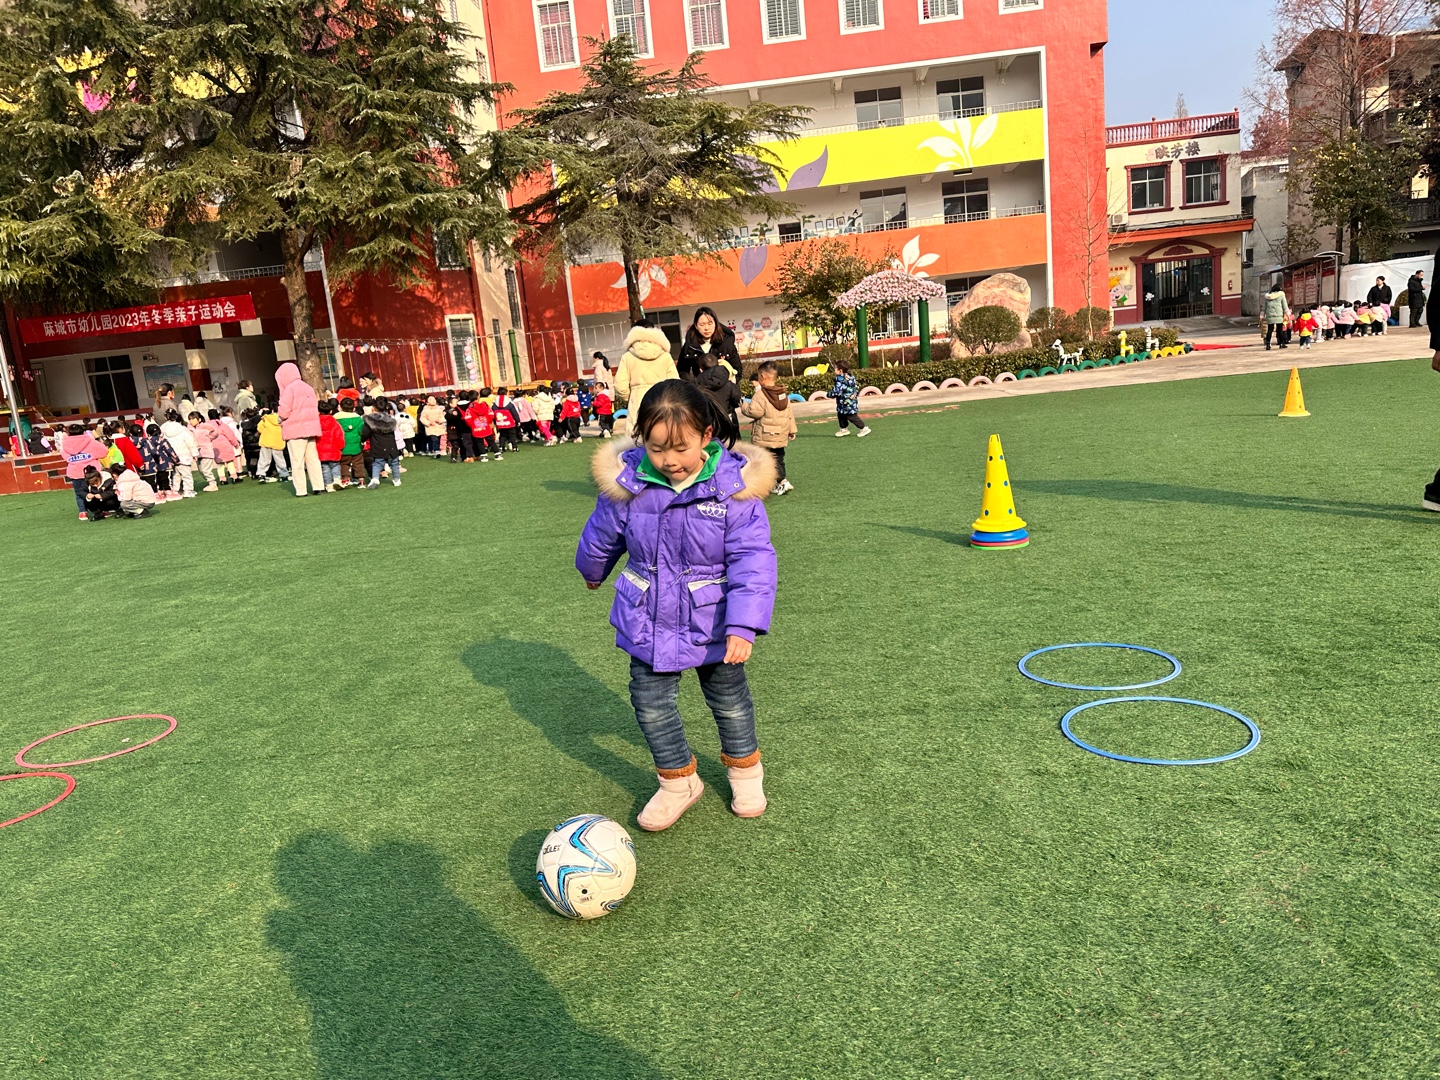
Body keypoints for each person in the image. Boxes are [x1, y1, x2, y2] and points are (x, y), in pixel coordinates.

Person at [575, 379, 778, 830]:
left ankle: (746, 772)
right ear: (641, 439)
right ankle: (677, 781)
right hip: (647, 617)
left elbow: (753, 560)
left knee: (729, 701)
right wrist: (592, 569)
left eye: (681, 448)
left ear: (706, 436)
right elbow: (603, 533)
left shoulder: (732, 491)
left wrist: (743, 625)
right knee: (650, 703)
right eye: (657, 448)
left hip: (714, 621)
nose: (670, 460)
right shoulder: (628, 485)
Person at [741, 361, 796, 495]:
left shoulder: (761, 395)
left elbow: (755, 412)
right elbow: (789, 413)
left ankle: (782, 481)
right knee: (779, 458)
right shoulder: (783, 394)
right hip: (781, 433)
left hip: (765, 434)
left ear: (762, 377)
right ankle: (779, 482)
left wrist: (744, 406)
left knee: (768, 459)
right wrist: (792, 430)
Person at [614, 321, 679, 420]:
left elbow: (620, 386)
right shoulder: (665, 356)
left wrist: (632, 397)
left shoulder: (627, 357)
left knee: (637, 428)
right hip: (661, 403)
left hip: (637, 403)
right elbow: (674, 383)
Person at [277, 362, 324, 496]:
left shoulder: (289, 389)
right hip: (311, 428)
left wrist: (279, 419)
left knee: (297, 461)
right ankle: (318, 486)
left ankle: (301, 490)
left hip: (295, 430)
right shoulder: (308, 387)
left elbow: (284, 410)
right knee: (313, 459)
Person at [62, 423, 112, 521]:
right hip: (92, 472)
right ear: (83, 431)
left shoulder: (65, 443)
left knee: (79, 493)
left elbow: (64, 455)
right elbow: (104, 451)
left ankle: (82, 512)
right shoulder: (90, 441)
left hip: (75, 471)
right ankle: (100, 510)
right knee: (96, 490)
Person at [676, 307, 741, 381]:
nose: (706, 328)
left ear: (715, 324)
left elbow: (737, 369)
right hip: (700, 386)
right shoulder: (690, 346)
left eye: (710, 323)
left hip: (724, 386)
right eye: (702, 324)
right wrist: (694, 385)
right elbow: (682, 371)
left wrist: (729, 384)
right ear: (696, 325)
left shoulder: (726, 342)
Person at [696, 356, 742, 434]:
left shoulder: (697, 386)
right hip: (726, 417)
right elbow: (736, 399)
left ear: (701, 369)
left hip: (707, 420)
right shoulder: (728, 384)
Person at [826, 360, 872, 437]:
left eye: (835, 368)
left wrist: (829, 394)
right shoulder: (850, 377)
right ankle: (843, 429)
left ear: (840, 370)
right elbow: (855, 387)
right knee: (841, 415)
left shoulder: (839, 379)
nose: (834, 370)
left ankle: (864, 428)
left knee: (852, 416)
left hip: (846, 403)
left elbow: (837, 391)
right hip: (847, 401)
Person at [160, 410, 199, 499]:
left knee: (175, 475)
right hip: (184, 455)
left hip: (171, 456)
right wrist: (194, 453)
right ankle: (188, 491)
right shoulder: (182, 429)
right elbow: (190, 442)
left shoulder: (163, 428)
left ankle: (176, 490)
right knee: (186, 475)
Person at [364, 397, 402, 487]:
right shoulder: (391, 420)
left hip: (378, 445)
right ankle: (396, 479)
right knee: (394, 463)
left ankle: (375, 478)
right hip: (391, 445)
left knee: (377, 463)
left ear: (373, 408)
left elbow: (365, 433)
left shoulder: (370, 421)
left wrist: (362, 439)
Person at [139, 423, 181, 502]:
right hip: (165, 463)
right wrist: (176, 460)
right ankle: (168, 492)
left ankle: (160, 492)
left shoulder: (147, 441)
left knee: (158, 479)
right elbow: (170, 450)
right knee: (166, 478)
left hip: (153, 464)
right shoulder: (162, 440)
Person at [335, 398, 366, 486]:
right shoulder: (358, 418)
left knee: (344, 463)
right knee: (358, 463)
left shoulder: (336, 418)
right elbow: (361, 430)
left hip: (343, 445)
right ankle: (361, 479)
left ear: (340, 407)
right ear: (353, 407)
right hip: (357, 445)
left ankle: (345, 478)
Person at [317, 401, 346, 491]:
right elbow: (339, 436)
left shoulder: (316, 424)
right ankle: (337, 479)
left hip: (321, 450)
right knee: (335, 466)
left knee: (325, 469)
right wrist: (341, 447)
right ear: (330, 411)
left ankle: (328, 485)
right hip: (334, 449)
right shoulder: (335, 423)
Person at [256, 410, 289, 482]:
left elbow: (259, 428)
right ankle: (284, 474)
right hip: (278, 441)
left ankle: (261, 474)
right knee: (280, 460)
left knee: (264, 459)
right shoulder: (282, 418)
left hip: (266, 440)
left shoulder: (266, 418)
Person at [465, 391, 499, 462]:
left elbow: (467, 419)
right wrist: (488, 422)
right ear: (478, 397)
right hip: (486, 426)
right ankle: (497, 453)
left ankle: (483, 456)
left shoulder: (469, 408)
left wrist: (472, 425)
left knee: (479, 443)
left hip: (476, 428)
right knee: (491, 441)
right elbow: (491, 414)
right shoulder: (485, 405)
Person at [1262, 282, 1290, 350]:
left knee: (1270, 330)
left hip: (1269, 315)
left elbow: (1264, 307)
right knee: (1279, 330)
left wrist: (1261, 315)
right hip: (1279, 315)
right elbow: (1285, 306)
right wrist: (1288, 314)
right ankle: (1281, 343)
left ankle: (1268, 344)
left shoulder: (1267, 296)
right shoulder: (1281, 294)